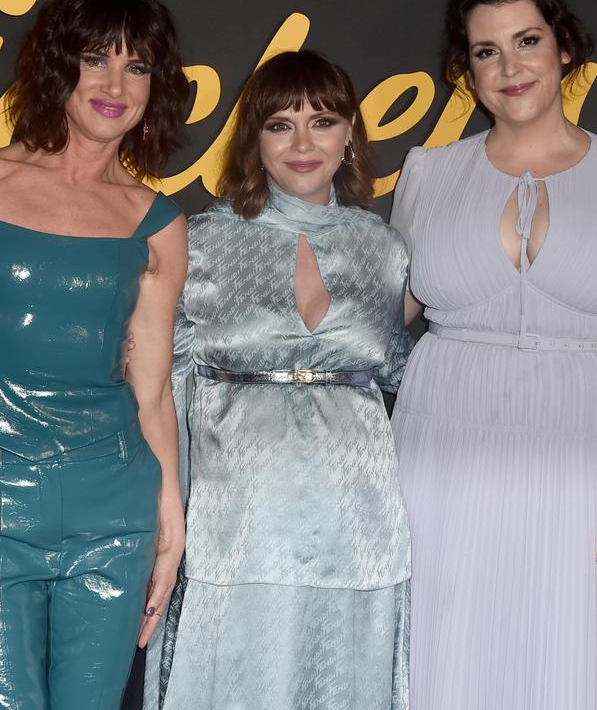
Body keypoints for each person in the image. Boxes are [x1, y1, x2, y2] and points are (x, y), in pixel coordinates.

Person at [390, 0, 597, 709]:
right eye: (487, 50)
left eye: (527, 41)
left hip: (590, 467)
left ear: (563, 44)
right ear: (467, 68)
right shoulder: (428, 173)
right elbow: (378, 330)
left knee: (581, 663)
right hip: (441, 463)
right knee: (445, 655)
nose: (510, 67)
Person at [0, 0, 190, 710]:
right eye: (97, 58)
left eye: (137, 66)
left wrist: (172, 516)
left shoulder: (156, 221)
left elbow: (154, 389)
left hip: (115, 503)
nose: (114, 83)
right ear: (58, 65)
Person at [145, 50, 411, 710]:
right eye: (279, 124)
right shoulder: (199, 239)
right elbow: (161, 386)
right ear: (252, 137)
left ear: (350, 133)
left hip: (358, 515)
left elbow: (405, 377)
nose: (301, 143)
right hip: (237, 514)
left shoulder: (385, 248)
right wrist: (167, 510)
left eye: (322, 121)